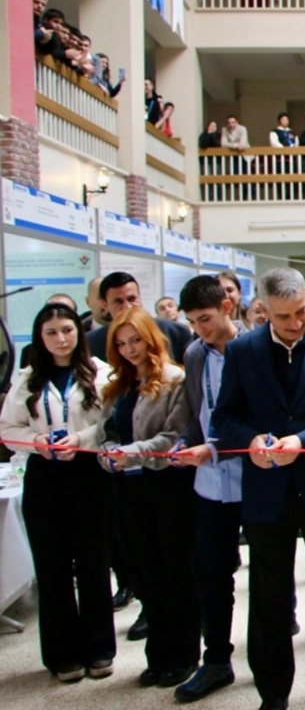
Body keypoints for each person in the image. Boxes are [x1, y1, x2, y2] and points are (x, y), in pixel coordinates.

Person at [211, 267, 305, 710]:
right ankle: (273, 688)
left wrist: (304, 441)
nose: (296, 323)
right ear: (263, 311)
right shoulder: (242, 351)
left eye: (301, 312)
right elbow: (224, 417)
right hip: (267, 488)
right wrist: (251, 441)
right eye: (284, 317)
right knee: (269, 594)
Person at [0, 303, 115, 683]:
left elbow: (109, 423)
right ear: (40, 338)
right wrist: (36, 441)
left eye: (67, 330)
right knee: (52, 568)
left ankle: (99, 649)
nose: (60, 338)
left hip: (88, 474)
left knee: (94, 563)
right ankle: (62, 655)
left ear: (77, 333)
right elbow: (8, 429)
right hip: (45, 477)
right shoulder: (28, 378)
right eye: (51, 333)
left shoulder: (99, 372)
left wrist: (80, 438)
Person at [94, 308, 198, 689]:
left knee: (176, 571)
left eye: (135, 340)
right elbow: (107, 429)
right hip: (128, 488)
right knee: (146, 574)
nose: (129, 349)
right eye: (121, 344)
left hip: (168, 485)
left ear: (150, 338)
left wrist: (132, 451)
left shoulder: (175, 379)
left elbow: (174, 435)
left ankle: (185, 654)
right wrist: (108, 452)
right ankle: (159, 655)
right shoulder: (119, 384)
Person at [168, 276, 251, 703]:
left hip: (255, 478)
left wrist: (213, 448)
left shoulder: (256, 348)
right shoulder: (193, 354)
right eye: (193, 322)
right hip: (209, 484)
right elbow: (196, 413)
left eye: (205, 319)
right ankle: (216, 659)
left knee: (273, 574)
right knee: (213, 573)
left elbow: (261, 420)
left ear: (226, 306)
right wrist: (185, 443)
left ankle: (271, 654)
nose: (201, 329)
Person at [87, 272, 192, 365]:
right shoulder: (92, 343)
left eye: (132, 299)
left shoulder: (175, 332)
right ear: (104, 305)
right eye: (118, 302)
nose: (127, 307)